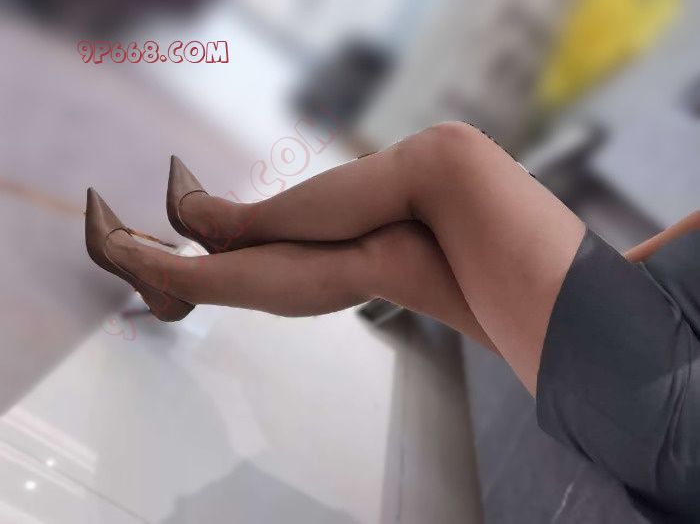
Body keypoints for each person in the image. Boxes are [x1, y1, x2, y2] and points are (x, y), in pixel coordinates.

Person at [85, 122, 700, 520]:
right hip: (651, 316)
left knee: (448, 156)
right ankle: (176, 283)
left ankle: (232, 228)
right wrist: (584, 284)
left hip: (673, 396)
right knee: (396, 254)